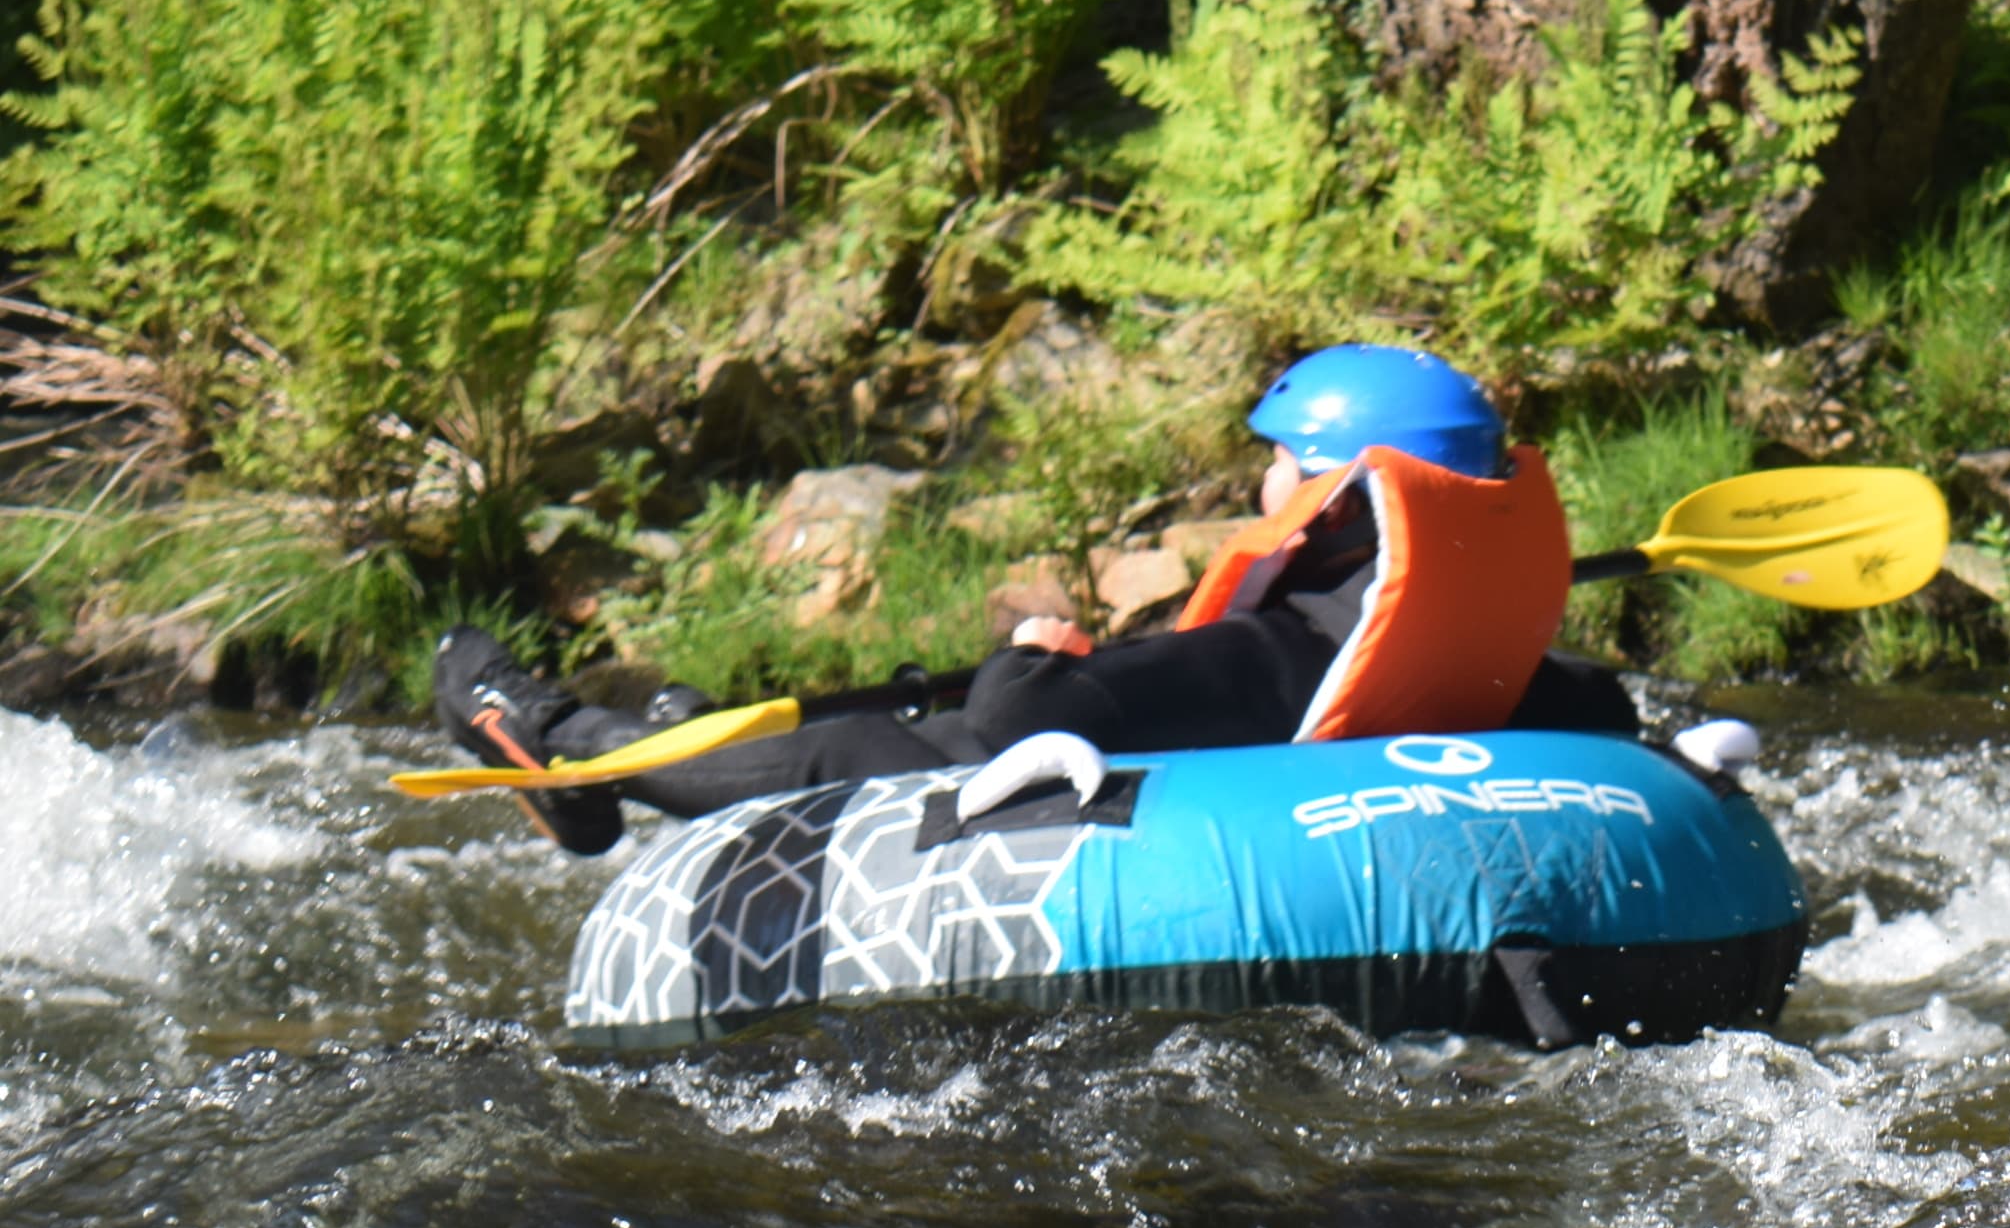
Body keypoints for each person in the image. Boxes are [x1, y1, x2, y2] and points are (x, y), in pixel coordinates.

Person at [433, 344, 1641, 855]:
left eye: (1277, 457)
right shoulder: (1501, 666)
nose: (1258, 477)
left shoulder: (1266, 653)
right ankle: (626, 742)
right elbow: (1603, 704)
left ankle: (552, 737)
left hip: (982, 772)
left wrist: (1028, 646)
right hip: (1258, 795)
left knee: (871, 742)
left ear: (1329, 500)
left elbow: (1019, 717)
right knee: (784, 728)